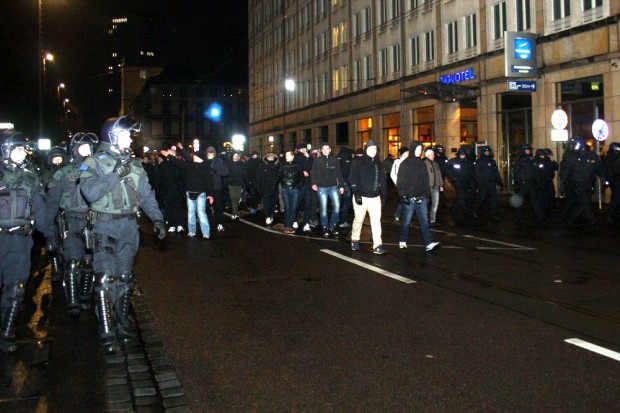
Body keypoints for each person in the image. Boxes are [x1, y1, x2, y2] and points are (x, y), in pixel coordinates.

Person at [79, 116, 166, 353]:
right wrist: (115, 173)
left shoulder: (136, 165)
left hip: (128, 227)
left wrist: (157, 218)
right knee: (105, 279)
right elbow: (90, 193)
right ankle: (106, 331)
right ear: (111, 136)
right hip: (104, 227)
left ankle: (121, 323)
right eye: (126, 134)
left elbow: (146, 196)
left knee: (124, 279)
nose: (131, 139)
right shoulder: (93, 162)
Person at [1, 131, 56, 352]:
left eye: (23, 149)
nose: (21, 153)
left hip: (20, 242)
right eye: (16, 149)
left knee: (15, 290)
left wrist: (49, 234)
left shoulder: (29, 177)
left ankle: (6, 333)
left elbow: (40, 209)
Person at [46, 132, 100, 318]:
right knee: (71, 262)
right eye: (82, 147)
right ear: (74, 149)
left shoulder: (97, 170)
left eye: (89, 147)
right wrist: (49, 232)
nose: (86, 150)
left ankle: (85, 295)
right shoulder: (63, 173)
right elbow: (52, 202)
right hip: (70, 220)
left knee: (88, 261)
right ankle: (73, 302)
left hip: (91, 221)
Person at [161, 143, 214, 239]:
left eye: (195, 156)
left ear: (200, 157)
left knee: (201, 213)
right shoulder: (190, 165)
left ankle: (206, 233)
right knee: (190, 213)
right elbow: (178, 162)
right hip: (190, 193)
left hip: (201, 193)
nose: (193, 156)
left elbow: (209, 182)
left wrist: (210, 195)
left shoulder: (206, 167)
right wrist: (169, 155)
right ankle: (191, 231)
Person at [396, 141, 440, 252]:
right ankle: (402, 240)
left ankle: (429, 242)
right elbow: (400, 182)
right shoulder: (405, 164)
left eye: (420, 150)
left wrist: (427, 195)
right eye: (417, 149)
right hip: (409, 197)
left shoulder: (421, 164)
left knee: (424, 221)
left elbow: (425, 181)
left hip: (422, 197)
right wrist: (403, 195)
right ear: (412, 150)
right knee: (406, 221)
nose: (419, 152)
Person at [349, 140, 388, 254]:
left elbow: (382, 180)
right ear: (367, 149)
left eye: (375, 149)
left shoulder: (379, 164)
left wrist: (384, 195)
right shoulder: (358, 162)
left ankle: (377, 245)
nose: (373, 151)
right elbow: (353, 178)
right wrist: (356, 193)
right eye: (371, 148)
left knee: (376, 221)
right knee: (359, 219)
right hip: (361, 196)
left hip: (375, 197)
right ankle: (355, 239)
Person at [559, 137, 601, 228]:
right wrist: (563, 183)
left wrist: (603, 178)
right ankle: (592, 222)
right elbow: (567, 171)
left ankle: (571, 218)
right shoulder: (571, 156)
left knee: (583, 202)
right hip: (577, 183)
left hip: (588, 183)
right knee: (585, 202)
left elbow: (598, 167)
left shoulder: (591, 155)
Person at [311, 142, 345, 238]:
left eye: (327, 149)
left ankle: (332, 225)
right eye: (324, 149)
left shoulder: (335, 160)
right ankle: (325, 227)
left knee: (337, 206)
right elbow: (313, 172)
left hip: (333, 186)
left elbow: (339, 173)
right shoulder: (317, 160)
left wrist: (341, 186)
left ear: (330, 150)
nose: (326, 150)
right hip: (321, 188)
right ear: (321, 151)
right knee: (324, 209)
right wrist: (313, 183)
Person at [154, 150, 186, 233]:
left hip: (177, 189)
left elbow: (183, 178)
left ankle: (179, 224)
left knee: (178, 207)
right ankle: (172, 224)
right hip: (167, 189)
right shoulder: (163, 165)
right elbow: (158, 178)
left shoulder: (178, 164)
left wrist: (184, 189)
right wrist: (158, 189)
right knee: (169, 207)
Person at [513, 144, 544, 222]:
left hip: (531, 183)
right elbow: (516, 172)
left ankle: (539, 216)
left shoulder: (532, 160)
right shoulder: (519, 161)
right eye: (526, 150)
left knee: (535, 200)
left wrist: (537, 181)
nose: (528, 151)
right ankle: (517, 217)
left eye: (529, 150)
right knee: (519, 201)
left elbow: (535, 172)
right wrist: (520, 181)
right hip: (523, 184)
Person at [472, 146, 502, 220]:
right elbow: (476, 173)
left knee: (493, 198)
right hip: (483, 183)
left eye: (488, 151)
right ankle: (475, 211)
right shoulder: (479, 161)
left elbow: (496, 172)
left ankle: (493, 213)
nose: (487, 153)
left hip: (491, 183)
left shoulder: (492, 161)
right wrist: (480, 182)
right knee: (481, 198)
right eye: (486, 151)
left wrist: (499, 181)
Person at [278, 150, 304, 233]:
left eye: (288, 155)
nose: (286, 157)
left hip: (295, 189)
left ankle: (290, 225)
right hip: (285, 189)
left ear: (293, 157)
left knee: (293, 208)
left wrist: (298, 187)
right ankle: (287, 226)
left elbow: (301, 177)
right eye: (286, 156)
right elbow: (279, 177)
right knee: (287, 207)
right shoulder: (282, 165)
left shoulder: (298, 166)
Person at [204, 146, 229, 232]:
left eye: (211, 152)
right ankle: (207, 224)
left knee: (218, 207)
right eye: (208, 152)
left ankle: (220, 223)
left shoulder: (218, 161)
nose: (210, 154)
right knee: (205, 208)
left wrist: (216, 172)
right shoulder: (204, 161)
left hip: (216, 188)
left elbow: (226, 171)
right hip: (206, 188)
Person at [294, 144, 316, 232]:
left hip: (308, 184)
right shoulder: (296, 158)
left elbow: (312, 168)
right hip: (299, 185)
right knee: (296, 204)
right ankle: (294, 220)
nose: (303, 150)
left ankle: (306, 223)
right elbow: (295, 168)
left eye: (304, 148)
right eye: (301, 149)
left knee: (308, 205)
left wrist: (309, 158)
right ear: (298, 150)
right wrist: (301, 172)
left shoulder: (309, 158)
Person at [447, 148, 474, 217]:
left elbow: (471, 172)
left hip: (465, 181)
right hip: (457, 181)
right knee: (461, 194)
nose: (463, 156)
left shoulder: (468, 161)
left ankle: (455, 207)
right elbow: (447, 170)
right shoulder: (453, 161)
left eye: (464, 155)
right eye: (462, 154)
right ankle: (465, 209)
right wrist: (452, 178)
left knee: (463, 194)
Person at [255, 152, 280, 225]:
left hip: (275, 188)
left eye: (272, 157)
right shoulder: (262, 166)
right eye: (269, 157)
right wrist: (258, 187)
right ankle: (268, 216)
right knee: (267, 203)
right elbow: (258, 177)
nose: (271, 158)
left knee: (273, 203)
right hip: (265, 188)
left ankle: (271, 214)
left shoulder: (277, 166)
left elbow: (279, 176)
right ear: (266, 158)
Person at [534, 148, 558, 219]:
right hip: (541, 182)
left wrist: (552, 160)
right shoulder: (536, 161)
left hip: (548, 181)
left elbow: (556, 167)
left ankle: (547, 210)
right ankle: (543, 212)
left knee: (551, 194)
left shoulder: (547, 160)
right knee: (542, 198)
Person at [424, 147, 445, 225]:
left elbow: (439, 174)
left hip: (435, 186)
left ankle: (433, 220)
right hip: (427, 187)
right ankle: (425, 220)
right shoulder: (424, 163)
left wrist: (441, 184)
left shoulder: (436, 163)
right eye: (432, 154)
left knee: (435, 204)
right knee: (425, 203)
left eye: (433, 154)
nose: (433, 155)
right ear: (428, 155)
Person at [390, 147, 409, 223]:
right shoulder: (397, 162)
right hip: (402, 185)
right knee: (405, 202)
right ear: (403, 153)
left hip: (409, 185)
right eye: (407, 152)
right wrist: (398, 183)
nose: (408, 153)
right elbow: (393, 174)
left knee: (405, 202)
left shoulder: (409, 162)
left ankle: (400, 216)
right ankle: (401, 218)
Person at [226, 151, 248, 221]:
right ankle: (234, 213)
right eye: (235, 155)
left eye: (237, 155)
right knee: (233, 199)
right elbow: (226, 173)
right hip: (231, 184)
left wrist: (247, 181)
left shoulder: (241, 164)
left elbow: (244, 173)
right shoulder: (229, 164)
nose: (236, 156)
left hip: (239, 184)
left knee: (237, 199)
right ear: (232, 156)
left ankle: (235, 212)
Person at [336, 147, 354, 228]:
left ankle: (336, 219)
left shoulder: (336, 159)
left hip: (337, 183)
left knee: (337, 203)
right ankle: (344, 220)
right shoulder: (349, 160)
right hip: (346, 183)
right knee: (346, 203)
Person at [603, 142, 620, 223]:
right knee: (616, 198)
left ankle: (614, 213)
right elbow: (616, 170)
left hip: (612, 180)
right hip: (616, 180)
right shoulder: (615, 157)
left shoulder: (608, 157)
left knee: (616, 197)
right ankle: (609, 214)